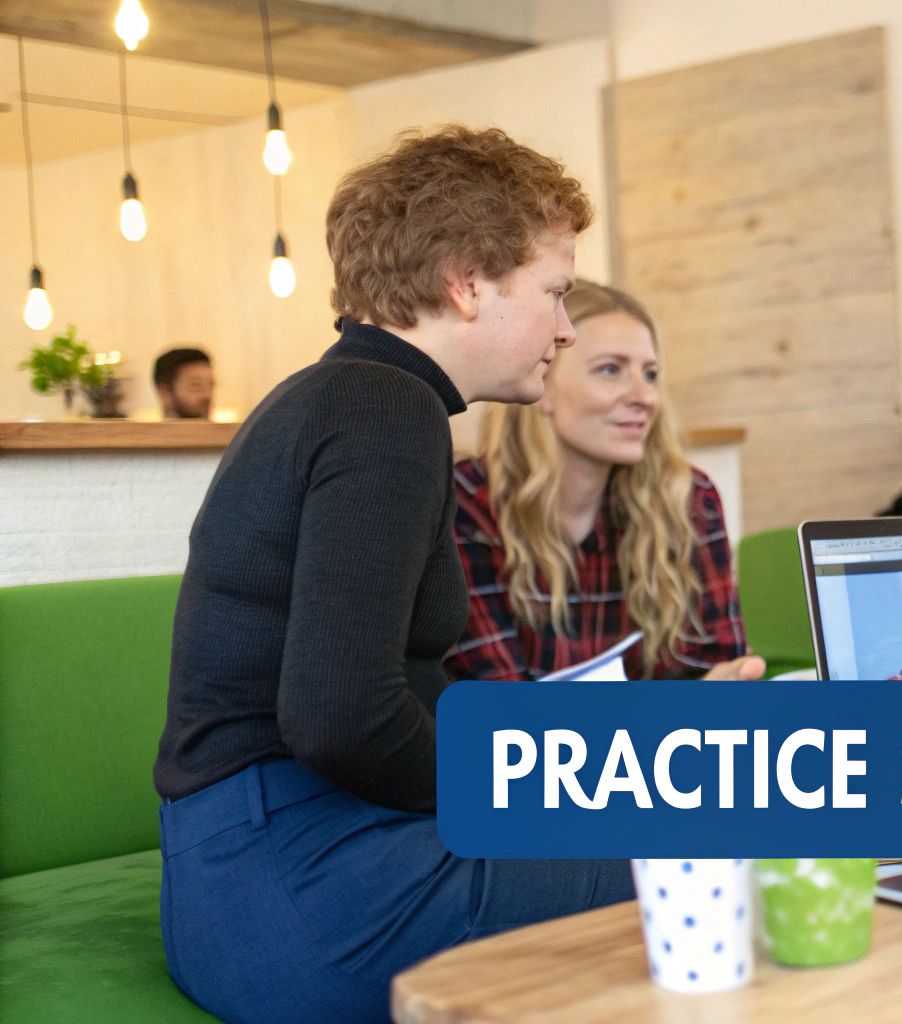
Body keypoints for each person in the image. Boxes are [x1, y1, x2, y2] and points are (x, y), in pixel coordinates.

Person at [155, 126, 631, 1024]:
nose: (566, 329)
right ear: (467, 281)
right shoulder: (387, 409)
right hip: (298, 885)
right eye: (555, 292)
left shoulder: (340, 395)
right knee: (710, 851)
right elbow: (339, 716)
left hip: (245, 870)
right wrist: (516, 798)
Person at [445, 282, 761, 681]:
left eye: (650, 374)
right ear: (540, 382)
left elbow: (714, 667)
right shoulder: (467, 503)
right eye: (611, 369)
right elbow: (500, 705)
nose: (644, 396)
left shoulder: (688, 499)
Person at [152, 347, 213, 419]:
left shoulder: (224, 429)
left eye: (211, 385)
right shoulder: (142, 430)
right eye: (196, 385)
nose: (207, 395)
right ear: (164, 392)